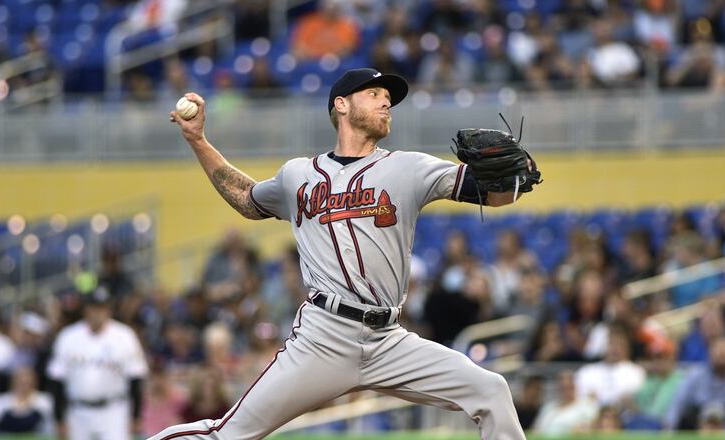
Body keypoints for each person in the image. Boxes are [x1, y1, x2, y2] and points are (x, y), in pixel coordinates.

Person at [154, 67, 531, 439]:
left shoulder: (408, 167)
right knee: (229, 433)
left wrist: (520, 174)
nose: (386, 102)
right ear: (342, 105)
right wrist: (199, 141)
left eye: (389, 99)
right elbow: (247, 200)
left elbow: (495, 194)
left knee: (491, 390)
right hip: (324, 337)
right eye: (374, 94)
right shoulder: (297, 175)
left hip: (388, 339)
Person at [47, 287, 149, 440]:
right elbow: (57, 381)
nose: (97, 312)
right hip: (77, 411)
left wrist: (135, 416)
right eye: (93, 307)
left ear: (109, 310)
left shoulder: (124, 336)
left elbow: (136, 378)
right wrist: (59, 419)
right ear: (85, 309)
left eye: (102, 308)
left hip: (114, 410)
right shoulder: (68, 336)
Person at [0, 367, 54, 438]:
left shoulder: (44, 401)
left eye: (27, 382)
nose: (24, 385)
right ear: (13, 382)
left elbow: (51, 428)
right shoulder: (1, 401)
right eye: (20, 382)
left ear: (35, 382)